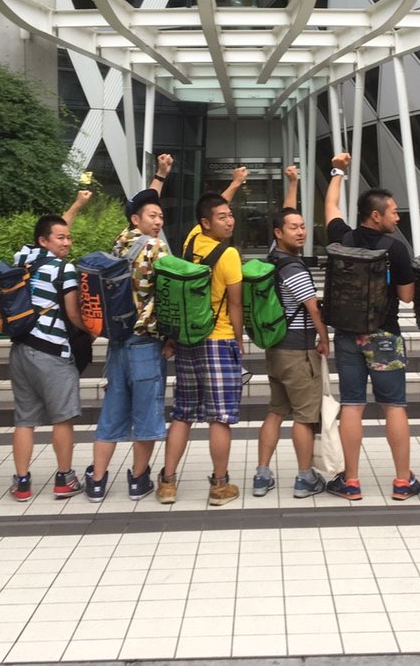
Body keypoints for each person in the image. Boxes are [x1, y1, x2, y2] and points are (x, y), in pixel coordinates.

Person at [324, 152, 420, 501]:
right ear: (376, 215)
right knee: (394, 406)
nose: (397, 216)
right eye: (393, 211)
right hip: (384, 335)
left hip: (347, 334)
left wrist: (338, 171)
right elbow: (407, 297)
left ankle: (351, 482)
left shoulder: (341, 238)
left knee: (352, 405)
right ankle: (402, 482)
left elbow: (331, 206)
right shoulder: (396, 249)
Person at [86, 155, 174, 503]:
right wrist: (172, 337)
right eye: (153, 216)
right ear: (137, 219)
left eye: (161, 216)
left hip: (118, 342)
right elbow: (168, 293)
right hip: (145, 344)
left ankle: (97, 480)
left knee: (112, 411)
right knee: (147, 413)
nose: (159, 220)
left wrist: (159, 177)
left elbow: (141, 203)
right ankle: (138, 480)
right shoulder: (156, 247)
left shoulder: (121, 241)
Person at [157, 191, 245, 506]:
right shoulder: (229, 255)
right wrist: (239, 340)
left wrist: (233, 185)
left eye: (230, 215)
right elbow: (235, 303)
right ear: (206, 222)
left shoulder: (191, 242)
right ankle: (220, 486)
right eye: (222, 217)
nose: (229, 221)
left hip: (187, 341)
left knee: (182, 414)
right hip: (219, 341)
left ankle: (167, 483)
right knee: (219, 418)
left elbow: (206, 205)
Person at [253, 165, 331, 499]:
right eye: (294, 228)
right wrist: (324, 339)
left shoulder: (273, 258)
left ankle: (261, 474)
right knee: (304, 417)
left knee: (276, 411)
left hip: (275, 348)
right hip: (298, 351)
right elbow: (313, 308)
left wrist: (293, 184)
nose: (301, 232)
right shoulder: (294, 267)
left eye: (303, 227)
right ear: (278, 233)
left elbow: (283, 214)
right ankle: (304, 478)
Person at [7, 207, 89, 503]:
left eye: (68, 237)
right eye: (60, 238)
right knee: (62, 419)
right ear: (44, 241)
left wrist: (75, 206)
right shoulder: (63, 269)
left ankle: (22, 483)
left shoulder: (22, 260)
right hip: (52, 352)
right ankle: (64, 479)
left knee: (24, 420)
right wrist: (90, 331)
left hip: (20, 350)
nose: (67, 242)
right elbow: (73, 313)